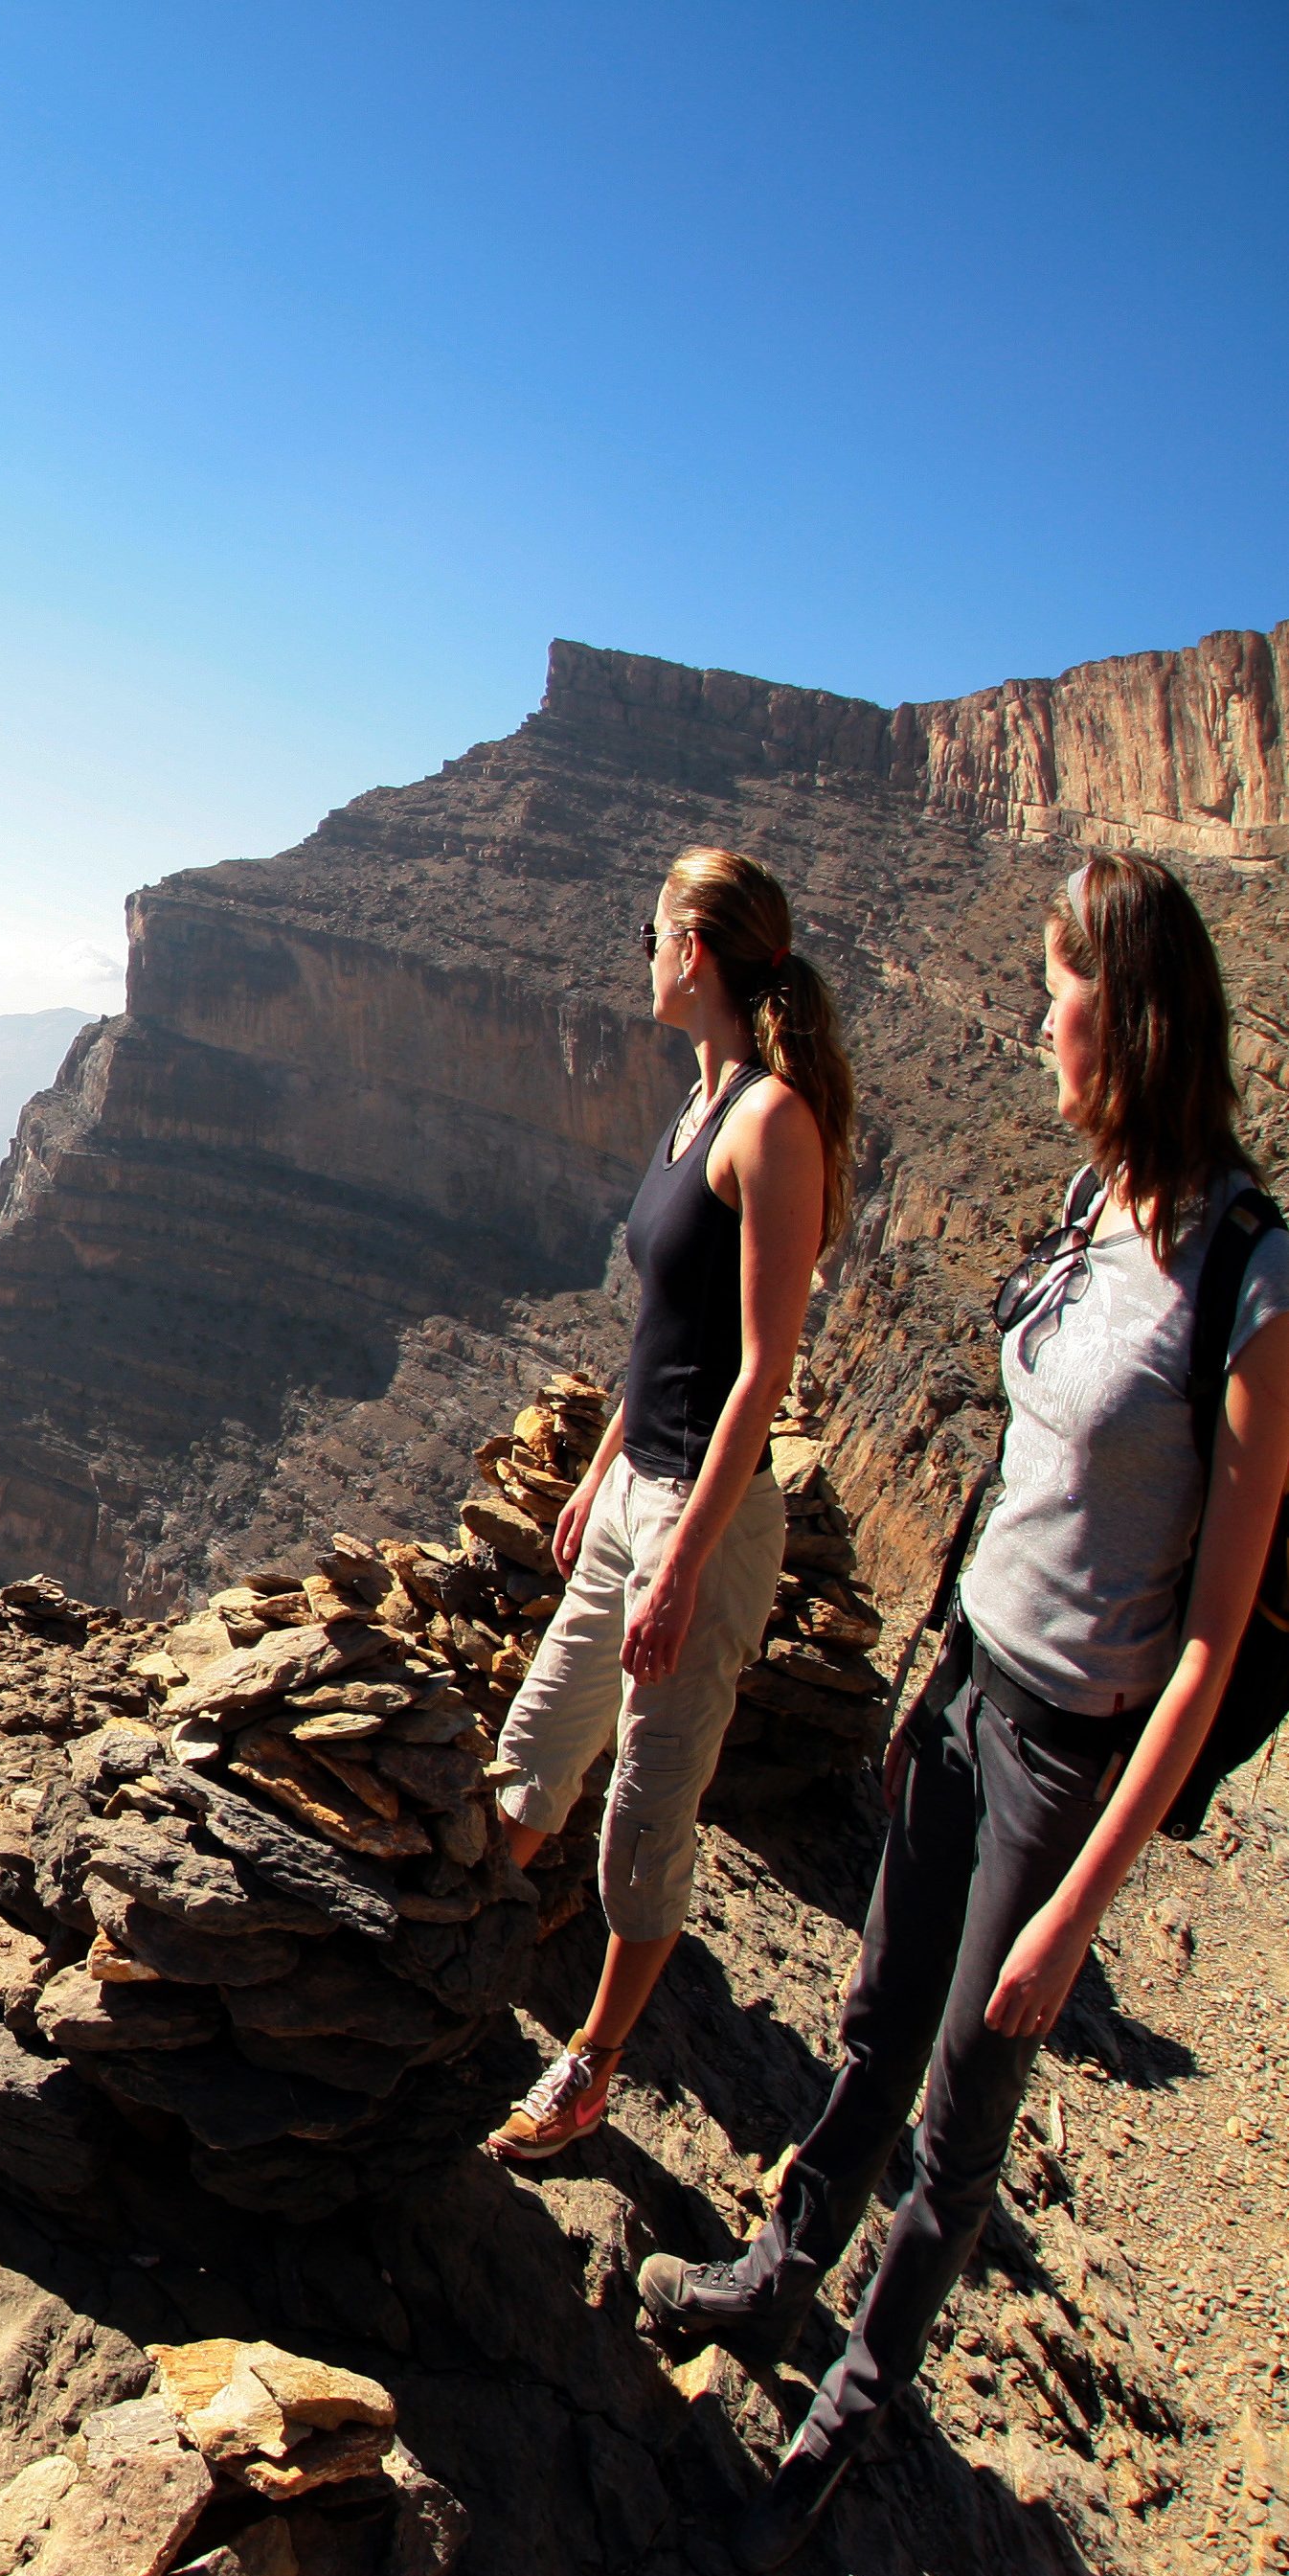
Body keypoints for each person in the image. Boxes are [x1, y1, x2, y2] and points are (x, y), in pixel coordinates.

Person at [638, 853, 1289, 2571]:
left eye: (1053, 990)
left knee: (956, 2111)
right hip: (965, 1687)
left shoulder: (1250, 1290)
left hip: (1073, 1754)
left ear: (1127, 1014)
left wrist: (1079, 1906)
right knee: (869, 2017)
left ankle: (846, 2421)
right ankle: (775, 2287)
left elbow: (1213, 1643)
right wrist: (930, 1667)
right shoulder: (1089, 1209)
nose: (1030, 1023)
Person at [482, 848, 853, 2164]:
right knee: (535, 1744)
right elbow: (666, 1332)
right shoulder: (690, 1112)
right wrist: (594, 1476)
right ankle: (455, 1964)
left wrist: (683, 1560)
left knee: (646, 1806)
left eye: (649, 934)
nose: (638, 954)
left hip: (707, 1517)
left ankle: (589, 2065)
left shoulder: (770, 1123)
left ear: (693, 951)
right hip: (633, 1492)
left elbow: (760, 1367)